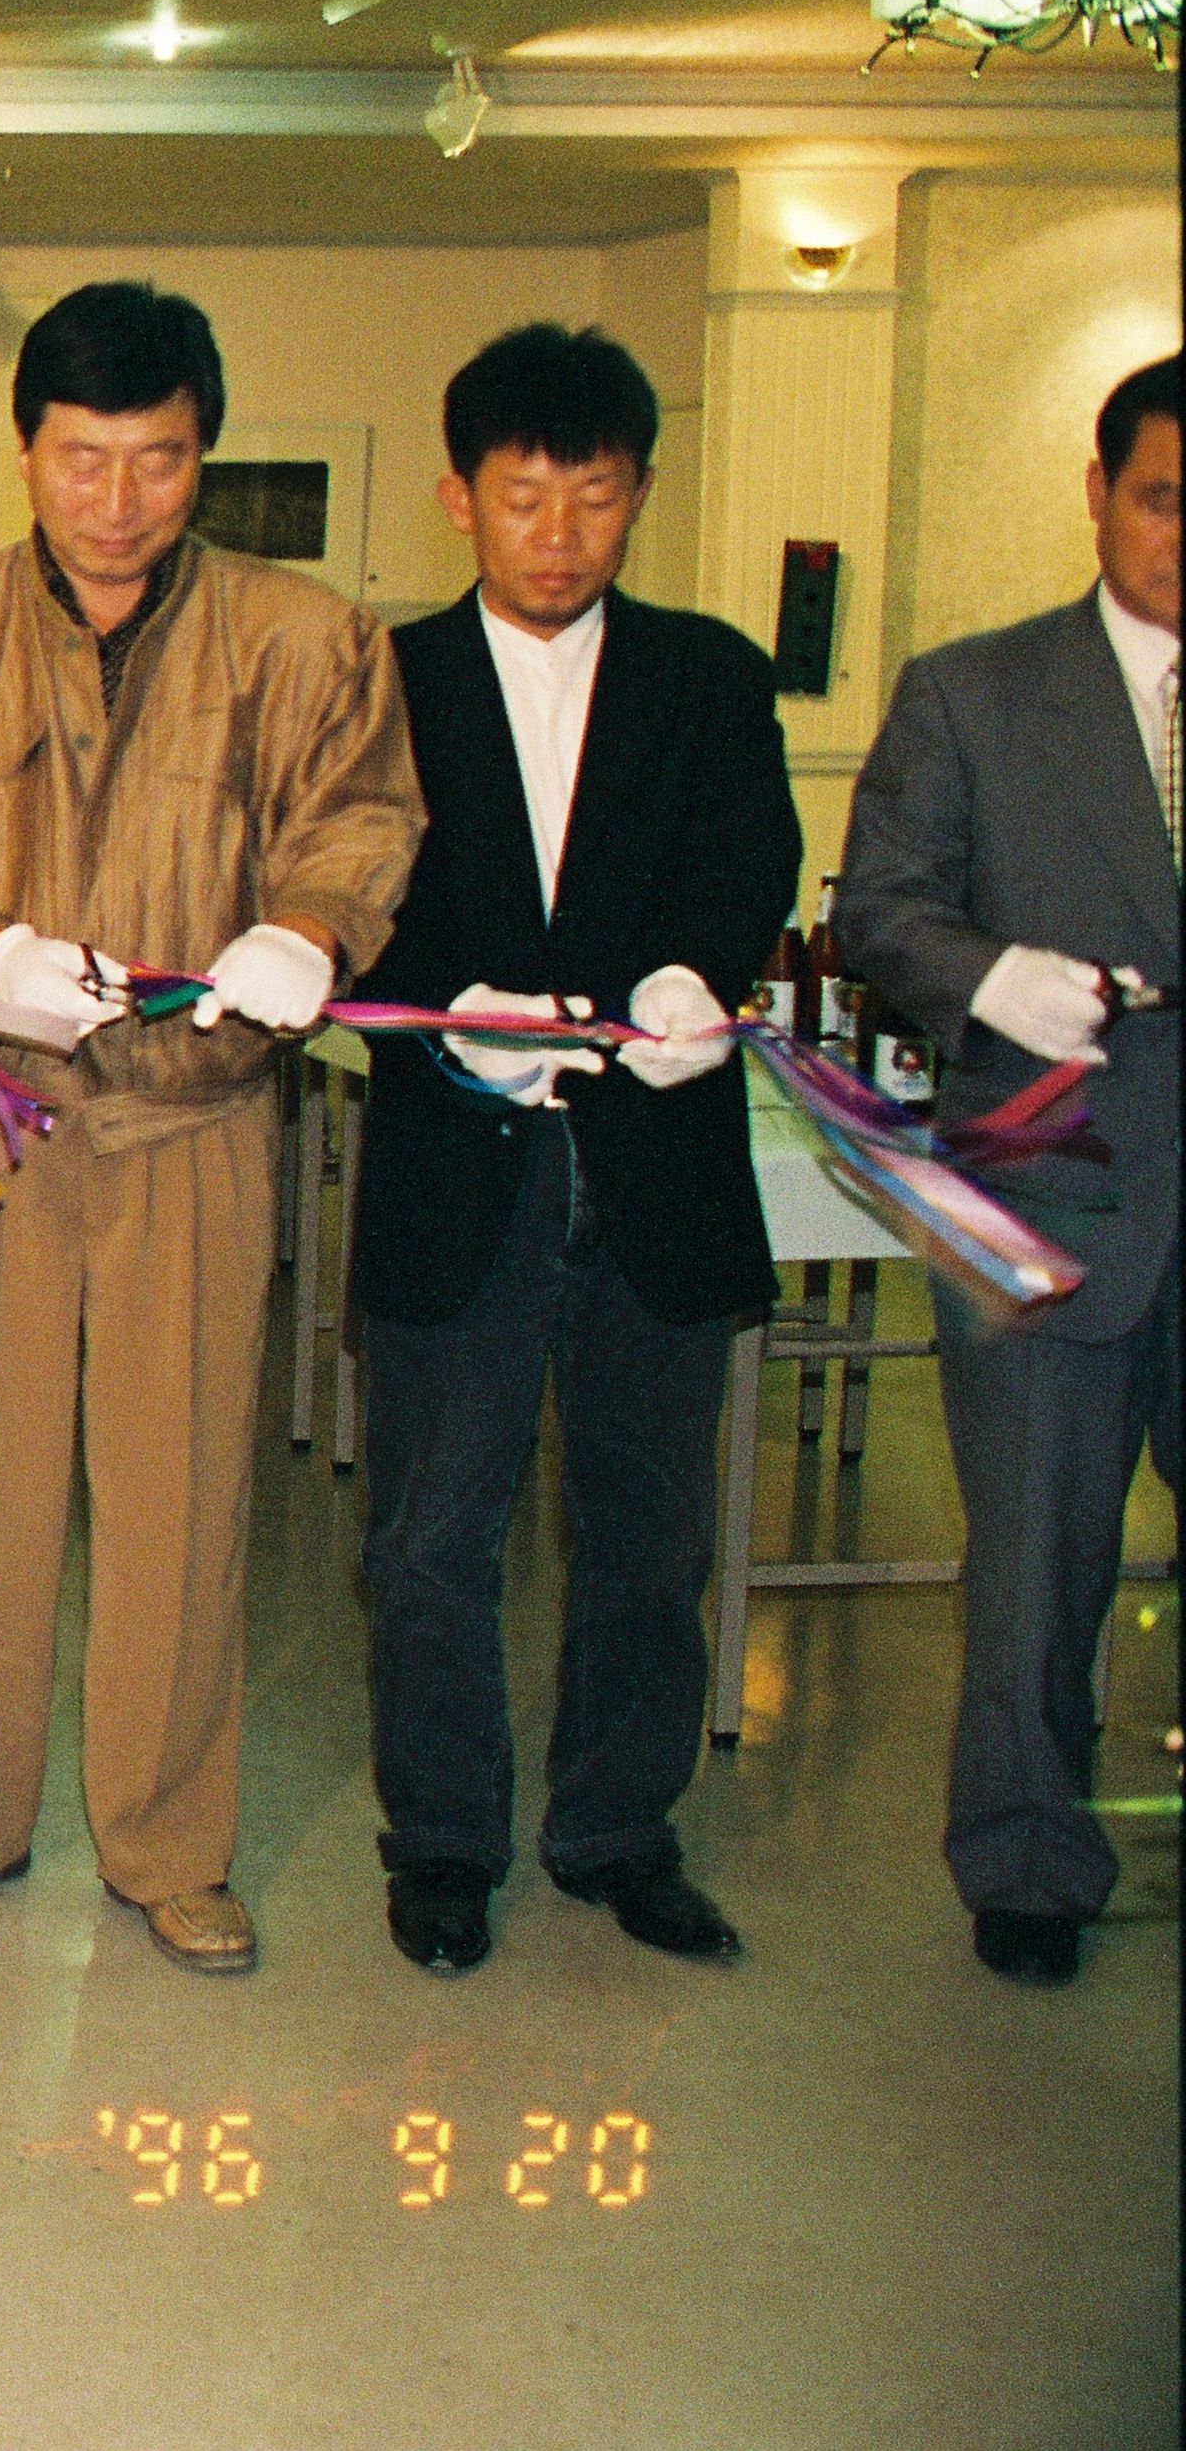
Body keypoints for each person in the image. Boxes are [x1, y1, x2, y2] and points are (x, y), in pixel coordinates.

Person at [0, 279, 422, 1975]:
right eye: (82, 459)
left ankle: (170, 1842)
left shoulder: (305, 639)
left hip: (194, 1122)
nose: (117, 500)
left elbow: (359, 821)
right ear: (25, 451)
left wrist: (306, 931)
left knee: (179, 1497)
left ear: (203, 456)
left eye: (158, 461)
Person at [347, 324, 796, 1979]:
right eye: (525, 497)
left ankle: (619, 1828)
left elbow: (747, 860)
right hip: (461, 1163)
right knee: (431, 1535)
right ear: (460, 497)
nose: (558, 535)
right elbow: (334, 884)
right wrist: (435, 1000)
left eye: (594, 499)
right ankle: (442, 1840)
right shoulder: (384, 676)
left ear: (638, 498)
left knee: (651, 1534)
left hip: (652, 1164)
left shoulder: (709, 676)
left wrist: (697, 975)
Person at [842, 350, 1181, 1990]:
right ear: (1101, 496)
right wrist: (988, 980)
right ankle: (1030, 1861)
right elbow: (878, 909)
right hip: (1050, 1177)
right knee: (1040, 1565)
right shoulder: (975, 693)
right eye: (1165, 500)